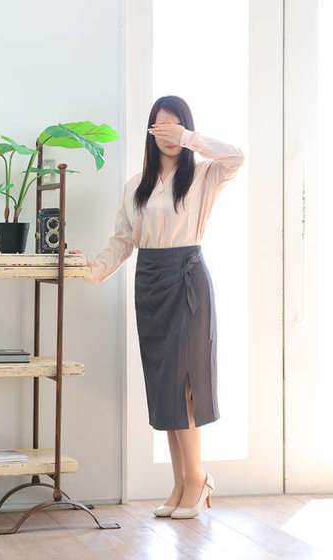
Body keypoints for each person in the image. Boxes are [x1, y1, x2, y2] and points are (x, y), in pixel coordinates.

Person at [70, 95, 244, 519]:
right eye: (161, 126)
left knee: (185, 384)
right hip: (149, 282)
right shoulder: (136, 185)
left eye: (175, 126)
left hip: (186, 280)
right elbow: (122, 241)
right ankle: (181, 482)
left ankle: (197, 479)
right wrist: (92, 269)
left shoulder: (203, 175)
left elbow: (237, 157)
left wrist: (190, 139)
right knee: (165, 385)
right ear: (149, 132)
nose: (167, 134)